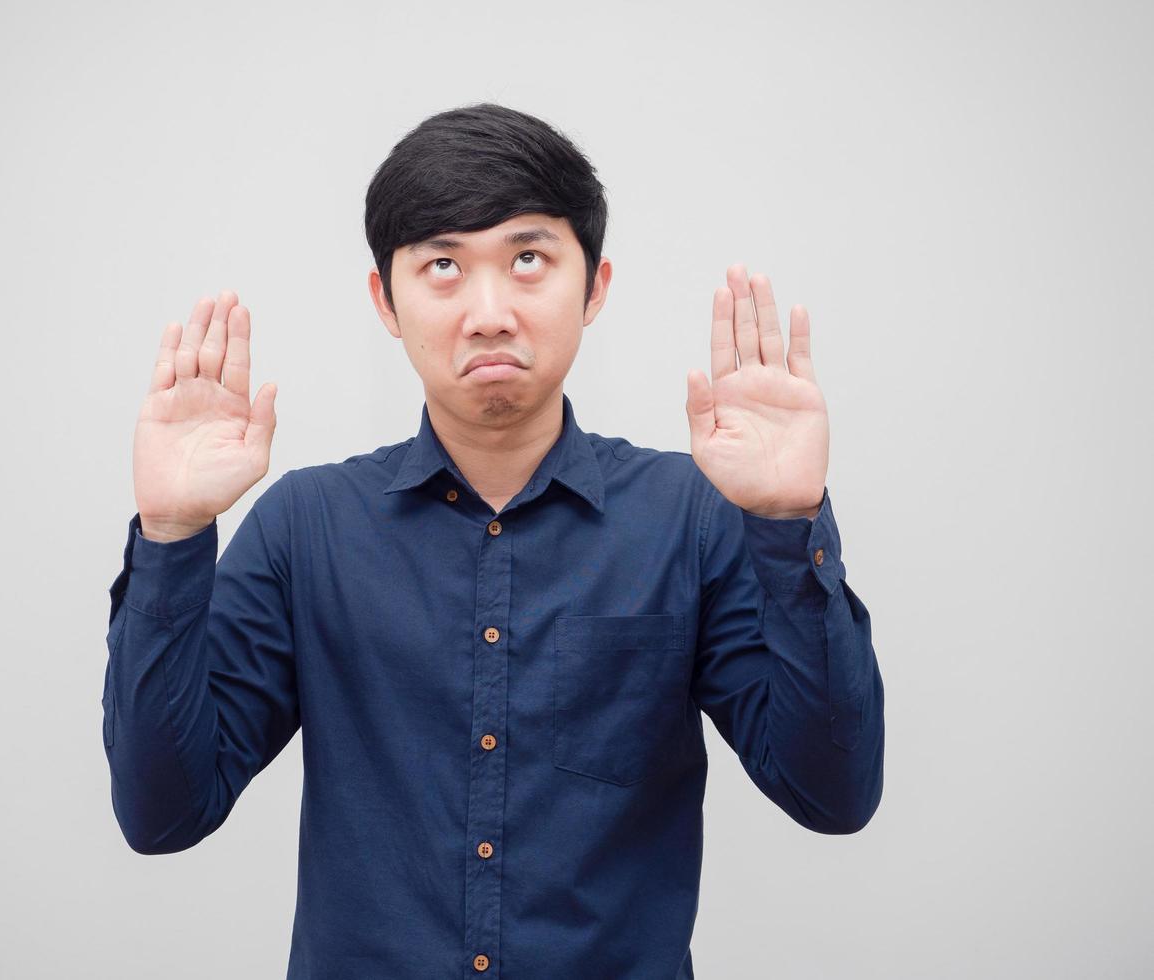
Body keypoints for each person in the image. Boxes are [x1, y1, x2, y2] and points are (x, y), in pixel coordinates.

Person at [102, 102, 885, 979]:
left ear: (594, 287)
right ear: (385, 301)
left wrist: (784, 524)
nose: (487, 312)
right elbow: (161, 815)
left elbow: (833, 796)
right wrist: (172, 537)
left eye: (527, 259)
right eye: (442, 264)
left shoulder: (689, 517)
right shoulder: (306, 527)